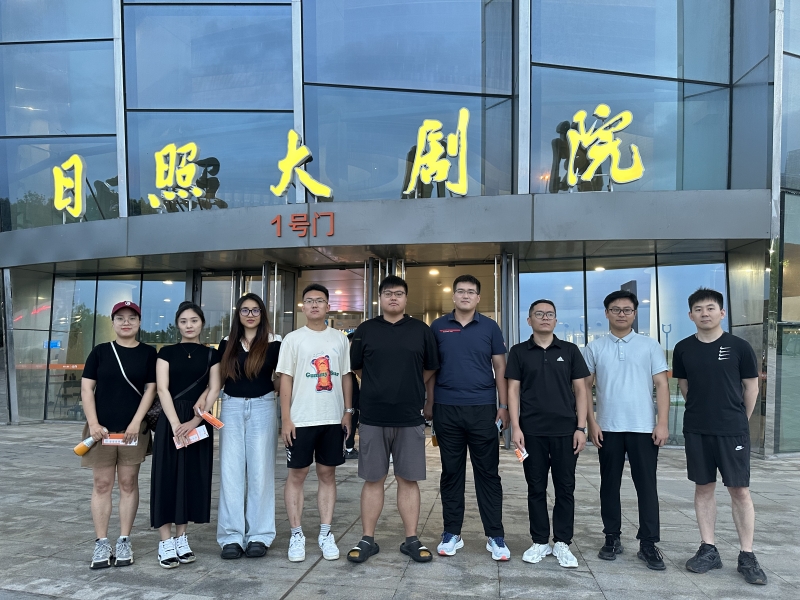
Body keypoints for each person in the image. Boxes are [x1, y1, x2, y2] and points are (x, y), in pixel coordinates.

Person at [672, 288, 766, 585]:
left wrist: (739, 420)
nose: (705, 313)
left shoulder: (739, 347)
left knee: (739, 491)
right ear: (691, 315)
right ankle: (708, 549)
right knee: (703, 488)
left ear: (722, 313)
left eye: (710, 308)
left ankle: (747, 554)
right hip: (697, 429)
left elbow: (751, 388)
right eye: (698, 309)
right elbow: (685, 386)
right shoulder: (683, 348)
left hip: (732, 430)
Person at [347, 275, 439, 564]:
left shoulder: (421, 330)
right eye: (388, 293)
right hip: (373, 416)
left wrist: (412, 386)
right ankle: (367, 539)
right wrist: (379, 385)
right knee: (373, 478)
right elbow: (356, 367)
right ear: (380, 298)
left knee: (408, 479)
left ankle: (411, 539)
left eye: (399, 293)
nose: (394, 298)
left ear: (406, 298)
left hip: (409, 416)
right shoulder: (365, 330)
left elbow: (430, 367)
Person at [423, 275, 510, 561]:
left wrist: (503, 405)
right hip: (447, 409)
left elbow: (500, 367)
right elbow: (431, 369)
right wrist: (430, 403)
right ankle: (452, 533)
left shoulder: (490, 327)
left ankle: (495, 535)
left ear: (478, 298)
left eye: (471, 292)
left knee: (488, 473)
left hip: (482, 409)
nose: (465, 295)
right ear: (453, 296)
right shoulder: (438, 327)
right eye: (460, 291)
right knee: (451, 473)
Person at [584, 290, 670, 570]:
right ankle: (612, 537)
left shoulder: (650, 345)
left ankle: (648, 543)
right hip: (607, 427)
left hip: (644, 428)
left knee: (647, 487)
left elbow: (662, 385)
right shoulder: (594, 348)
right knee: (609, 485)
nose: (621, 314)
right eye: (615, 309)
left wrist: (662, 423)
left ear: (634, 314)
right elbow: (584, 387)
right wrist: (591, 423)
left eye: (627, 310)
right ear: (606, 313)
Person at [506, 299, 590, 569]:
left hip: (566, 432)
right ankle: (540, 541)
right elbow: (513, 391)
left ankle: (562, 542)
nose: (545, 318)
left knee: (565, 488)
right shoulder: (519, 352)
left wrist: (581, 428)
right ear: (529, 320)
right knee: (535, 487)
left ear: (556, 320)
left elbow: (581, 390)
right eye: (539, 314)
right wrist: (516, 427)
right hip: (531, 433)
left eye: (550, 314)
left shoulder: (570, 350)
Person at [276, 284, 353, 562]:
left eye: (320, 301)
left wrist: (348, 412)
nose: (314, 305)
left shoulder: (340, 339)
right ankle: (296, 534)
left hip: (331, 418)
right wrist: (286, 418)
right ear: (303, 306)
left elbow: (346, 376)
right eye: (309, 301)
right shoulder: (293, 339)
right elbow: (285, 379)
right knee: (297, 475)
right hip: (301, 419)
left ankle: (325, 532)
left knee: (327, 474)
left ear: (328, 306)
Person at [80, 301, 157, 569]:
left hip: (132, 431)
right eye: (120, 318)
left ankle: (124, 539)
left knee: (128, 483)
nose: (126, 322)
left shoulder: (149, 353)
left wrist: (136, 422)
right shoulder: (100, 352)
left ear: (139, 322)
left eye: (132, 318)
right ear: (112, 322)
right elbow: (87, 389)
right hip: (101, 431)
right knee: (102, 484)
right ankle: (101, 542)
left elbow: (150, 389)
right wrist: (93, 423)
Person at [151, 301, 222, 568]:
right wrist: (174, 423)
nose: (189, 326)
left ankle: (182, 537)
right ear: (177, 325)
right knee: (166, 477)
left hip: (197, 421)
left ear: (202, 323)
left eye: (194, 320)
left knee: (190, 478)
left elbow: (214, 388)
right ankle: (165, 541)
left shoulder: (212, 354)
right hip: (170, 420)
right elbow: (162, 389)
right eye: (183, 321)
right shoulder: (166, 352)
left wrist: (194, 422)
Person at [216, 293, 281, 559]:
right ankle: (231, 536)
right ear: (238, 314)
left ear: (262, 314)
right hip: (231, 406)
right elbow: (217, 381)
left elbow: (282, 379)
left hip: (264, 406)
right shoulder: (227, 343)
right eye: (245, 310)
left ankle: (259, 535)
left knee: (260, 472)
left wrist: (275, 396)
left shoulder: (275, 342)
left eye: (255, 310)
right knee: (230, 472)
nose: (250, 315)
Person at [345, 332, 360, 459]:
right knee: (352, 416)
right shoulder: (348, 355)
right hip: (349, 385)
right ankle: (348, 448)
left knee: (353, 416)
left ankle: (349, 447)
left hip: (351, 384)